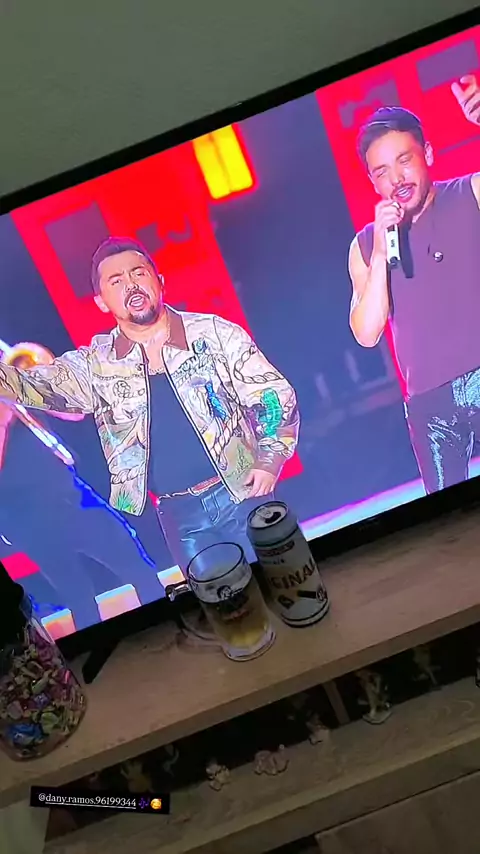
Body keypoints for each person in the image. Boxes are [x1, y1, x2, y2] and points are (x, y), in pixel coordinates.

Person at [0, 239, 299, 569]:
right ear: (101, 302)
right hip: (180, 517)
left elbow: (273, 394)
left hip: (244, 494)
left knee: (284, 582)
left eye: (138, 273)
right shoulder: (97, 365)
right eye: (116, 281)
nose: (131, 285)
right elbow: (32, 384)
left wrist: (270, 459)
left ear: (160, 282)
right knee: (221, 600)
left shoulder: (213, 333)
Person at [348, 74, 480, 494]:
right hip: (430, 406)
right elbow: (367, 332)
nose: (397, 179)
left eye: (404, 160)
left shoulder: (470, 193)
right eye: (382, 172)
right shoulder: (366, 244)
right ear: (373, 182)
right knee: (448, 518)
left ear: (428, 154)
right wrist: (380, 254)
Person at [0, 344, 165, 630]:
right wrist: (3, 417)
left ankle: (168, 619)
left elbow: (75, 413)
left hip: (70, 495)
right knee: (77, 595)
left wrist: (38, 384)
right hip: (27, 518)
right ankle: (94, 646)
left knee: (136, 564)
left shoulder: (15, 386)